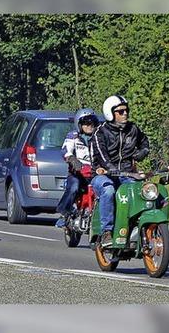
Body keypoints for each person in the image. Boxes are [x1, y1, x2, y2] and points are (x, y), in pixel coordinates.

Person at [90, 95, 150, 246]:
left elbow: (145, 142)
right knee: (109, 190)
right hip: (103, 174)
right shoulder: (100, 132)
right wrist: (109, 168)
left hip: (127, 172)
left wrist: (142, 152)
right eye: (121, 111)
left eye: (126, 110)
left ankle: (136, 226)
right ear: (110, 113)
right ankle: (107, 232)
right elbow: (102, 157)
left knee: (141, 191)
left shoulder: (133, 129)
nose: (125, 114)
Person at [55, 108, 99, 228]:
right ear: (79, 124)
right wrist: (73, 160)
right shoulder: (73, 136)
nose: (90, 126)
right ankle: (64, 213)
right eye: (86, 123)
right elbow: (65, 150)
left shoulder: (99, 138)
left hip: (96, 173)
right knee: (73, 187)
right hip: (78, 174)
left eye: (93, 123)